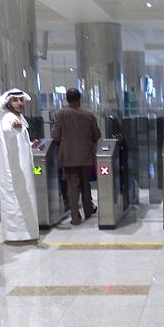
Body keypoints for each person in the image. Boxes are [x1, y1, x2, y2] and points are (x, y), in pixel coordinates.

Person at [52, 88, 101, 225]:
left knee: (72, 186)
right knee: (86, 183)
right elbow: (97, 135)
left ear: (67, 100)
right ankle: (88, 209)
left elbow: (56, 136)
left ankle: (75, 217)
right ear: (80, 99)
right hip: (85, 155)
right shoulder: (89, 115)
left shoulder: (59, 115)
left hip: (68, 156)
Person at [0, 88, 40, 241]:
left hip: (21, 168)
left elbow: (17, 141)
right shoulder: (9, 118)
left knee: (23, 198)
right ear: (8, 103)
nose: (20, 103)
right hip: (14, 169)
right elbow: (8, 132)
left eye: (21, 100)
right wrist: (14, 128)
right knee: (15, 200)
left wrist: (30, 144)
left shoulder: (17, 117)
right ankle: (17, 235)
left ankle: (25, 233)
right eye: (15, 100)